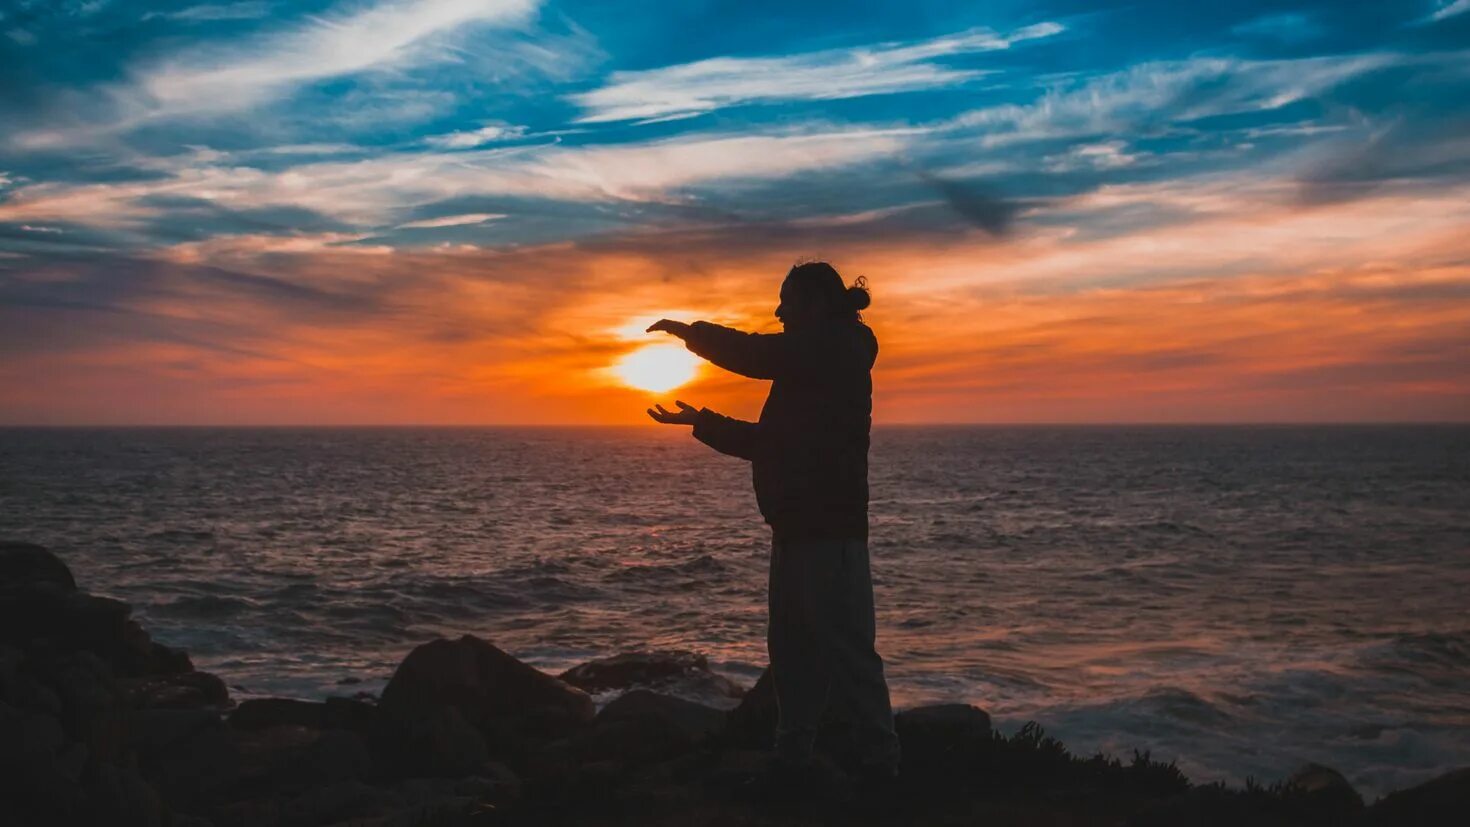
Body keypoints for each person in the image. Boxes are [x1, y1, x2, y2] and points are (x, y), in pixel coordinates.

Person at [645, 261, 901, 784]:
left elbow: (756, 355)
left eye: (787, 300)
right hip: (796, 529)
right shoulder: (812, 363)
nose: (779, 311)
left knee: (846, 650)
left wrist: (690, 334)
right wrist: (703, 422)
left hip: (828, 531)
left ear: (815, 303)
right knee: (792, 649)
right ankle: (794, 758)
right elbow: (770, 444)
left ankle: (880, 764)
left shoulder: (832, 349)